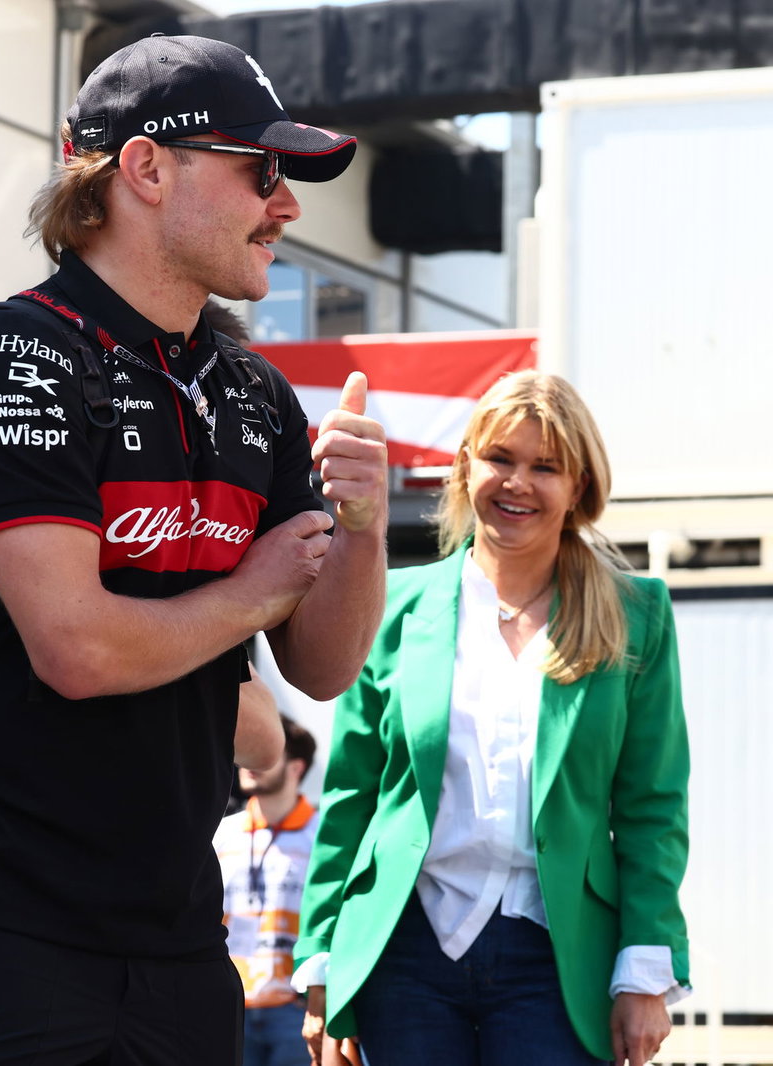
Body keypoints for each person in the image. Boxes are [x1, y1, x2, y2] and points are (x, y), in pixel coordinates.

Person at [0, 34, 389, 1066]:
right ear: (147, 169)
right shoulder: (16, 352)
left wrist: (363, 527)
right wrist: (254, 592)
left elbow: (324, 666)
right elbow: (77, 649)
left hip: (181, 942)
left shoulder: (254, 392)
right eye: (261, 170)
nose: (286, 206)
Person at [295, 370, 691, 1066]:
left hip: (559, 958)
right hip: (403, 955)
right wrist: (324, 959)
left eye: (546, 467)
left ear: (579, 488)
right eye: (500, 458)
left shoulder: (638, 615)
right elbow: (351, 794)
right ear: (465, 466)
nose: (518, 483)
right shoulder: (390, 604)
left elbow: (652, 809)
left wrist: (646, 968)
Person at [216, 713, 322, 1066]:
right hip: (227, 1008)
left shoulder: (323, 836)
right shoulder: (220, 834)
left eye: (265, 752)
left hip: (295, 1011)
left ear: (296, 768)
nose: (250, 761)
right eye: (247, 750)